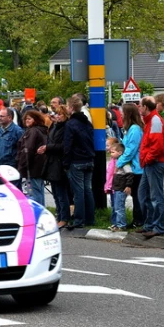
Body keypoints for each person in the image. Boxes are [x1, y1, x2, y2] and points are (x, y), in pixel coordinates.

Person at [138, 95, 164, 239]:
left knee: (156, 196)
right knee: (144, 194)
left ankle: (159, 226)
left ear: (145, 107)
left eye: (140, 105)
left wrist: (147, 158)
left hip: (155, 162)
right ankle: (150, 224)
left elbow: (156, 146)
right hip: (150, 162)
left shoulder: (155, 120)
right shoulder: (150, 120)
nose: (138, 108)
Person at [63, 94, 96, 230]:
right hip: (89, 159)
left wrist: (65, 163)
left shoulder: (70, 124)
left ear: (71, 108)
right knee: (88, 190)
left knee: (78, 191)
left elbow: (68, 145)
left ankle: (79, 219)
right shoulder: (87, 122)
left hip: (77, 161)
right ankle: (90, 218)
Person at [40, 104, 71, 228]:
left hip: (60, 162)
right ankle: (59, 215)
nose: (57, 116)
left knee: (61, 192)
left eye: (60, 114)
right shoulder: (54, 126)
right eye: (56, 114)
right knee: (55, 192)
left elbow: (64, 146)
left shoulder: (65, 128)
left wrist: (48, 147)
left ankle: (64, 217)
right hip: (52, 161)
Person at [118, 103, 145, 230]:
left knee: (138, 196)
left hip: (137, 168)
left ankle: (139, 220)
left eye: (123, 112)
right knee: (135, 195)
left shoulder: (134, 129)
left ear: (128, 114)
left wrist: (119, 162)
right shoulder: (131, 128)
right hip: (134, 167)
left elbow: (131, 150)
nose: (121, 114)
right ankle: (137, 219)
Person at [17, 110, 48, 206]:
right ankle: (43, 211)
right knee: (39, 191)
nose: (27, 120)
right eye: (26, 118)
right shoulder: (41, 130)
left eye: (29, 119)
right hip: (39, 166)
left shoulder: (33, 131)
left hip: (32, 167)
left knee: (34, 193)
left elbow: (28, 150)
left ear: (36, 119)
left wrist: (22, 165)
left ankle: (38, 214)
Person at [108, 141, 133, 232]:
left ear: (120, 152)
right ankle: (116, 224)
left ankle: (121, 225)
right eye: (110, 152)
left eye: (113, 152)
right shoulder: (117, 162)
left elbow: (130, 173)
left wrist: (128, 185)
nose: (111, 154)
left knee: (119, 207)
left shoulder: (124, 163)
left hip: (121, 188)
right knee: (115, 207)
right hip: (117, 188)